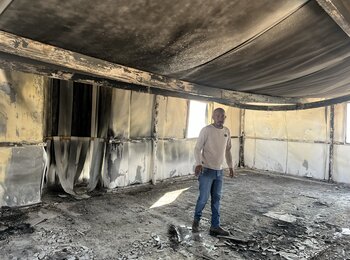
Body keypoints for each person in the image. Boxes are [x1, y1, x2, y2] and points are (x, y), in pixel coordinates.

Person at [192, 107, 234, 237]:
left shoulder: (227, 131)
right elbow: (197, 148)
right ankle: (196, 221)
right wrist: (198, 163)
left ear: (225, 118)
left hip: (219, 172)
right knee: (203, 199)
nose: (220, 118)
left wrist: (231, 166)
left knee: (216, 200)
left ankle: (215, 226)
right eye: (218, 116)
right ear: (213, 117)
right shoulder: (206, 130)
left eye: (223, 116)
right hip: (206, 170)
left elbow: (227, 151)